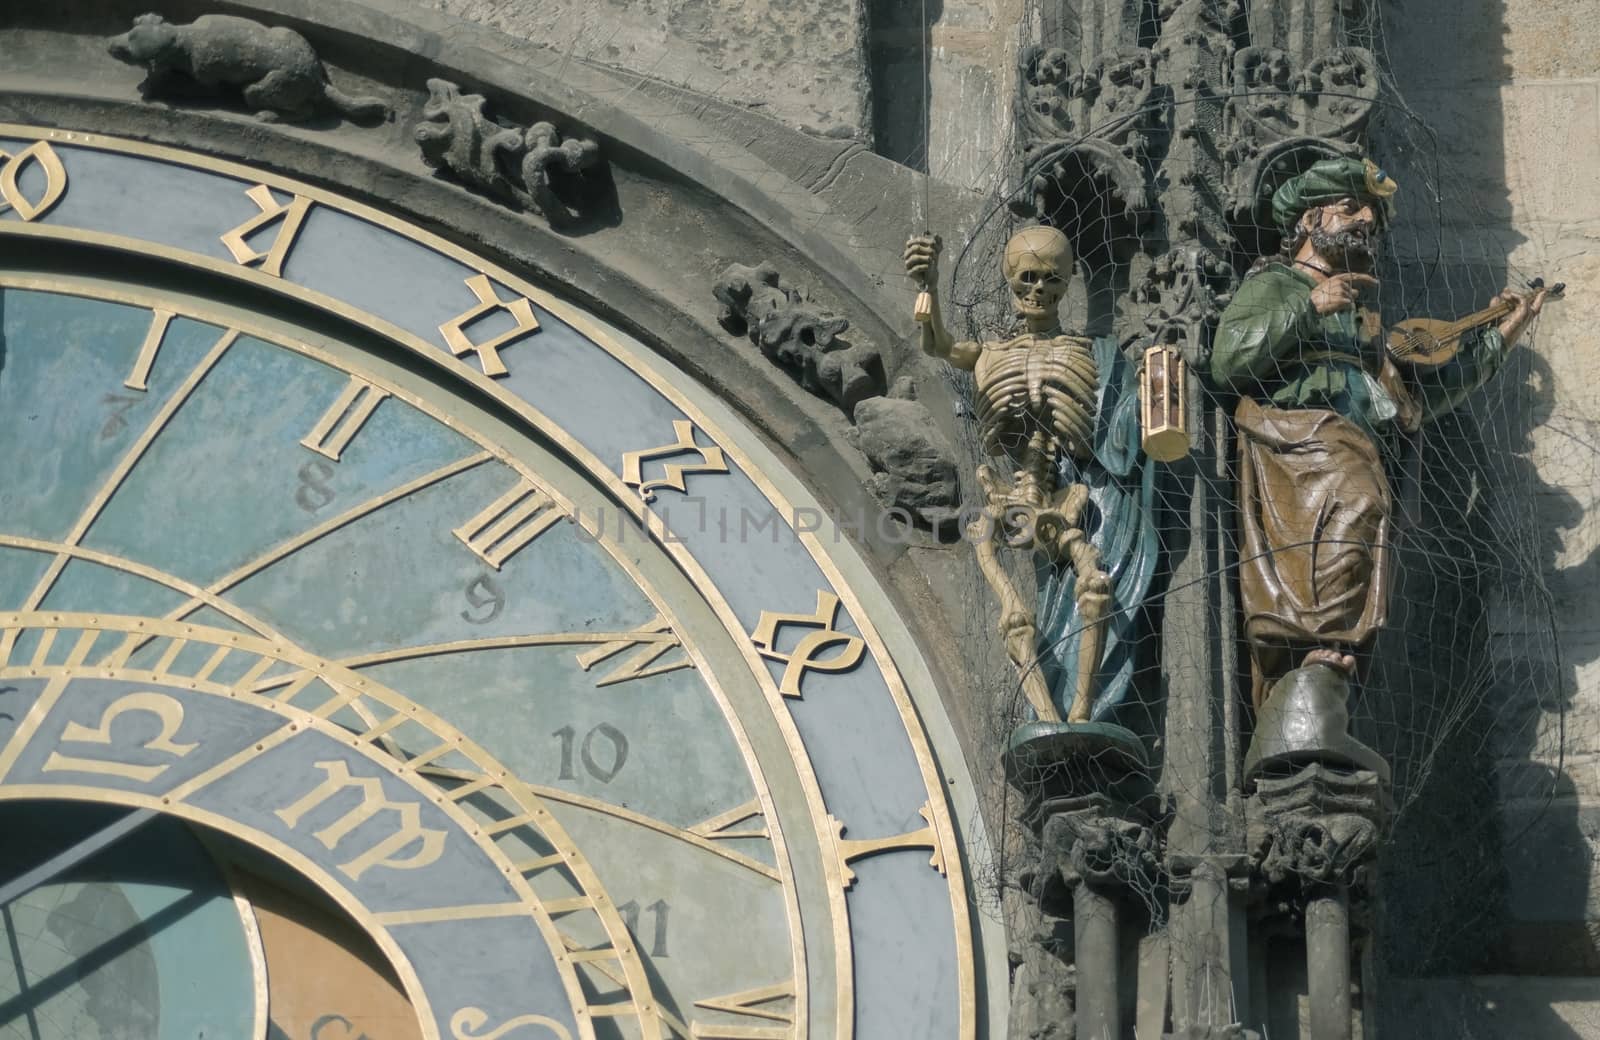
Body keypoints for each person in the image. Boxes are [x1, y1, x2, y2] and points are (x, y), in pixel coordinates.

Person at [1211, 157, 1548, 714]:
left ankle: (1328, 648)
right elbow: (1228, 361)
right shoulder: (1276, 282)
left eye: (1372, 213)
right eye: (1351, 207)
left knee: (1362, 518)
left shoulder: (1365, 318)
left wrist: (1500, 339)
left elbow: (1410, 402)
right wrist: (1310, 304)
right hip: (1300, 451)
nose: (1366, 218)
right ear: (1311, 219)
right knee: (1354, 508)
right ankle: (1311, 649)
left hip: (1357, 447)